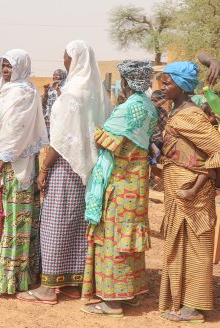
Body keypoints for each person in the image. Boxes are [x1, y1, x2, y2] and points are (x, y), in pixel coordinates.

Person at [19, 40, 111, 304]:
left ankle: (48, 288)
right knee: (77, 223)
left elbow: (61, 139)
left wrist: (44, 168)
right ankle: (73, 282)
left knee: (55, 223)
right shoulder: (98, 92)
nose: (64, 62)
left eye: (66, 57)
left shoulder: (72, 93)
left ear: (76, 59)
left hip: (66, 166)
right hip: (88, 168)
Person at [81, 61, 158, 317]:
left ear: (125, 82)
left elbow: (109, 141)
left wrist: (90, 128)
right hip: (136, 182)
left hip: (121, 181)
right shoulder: (148, 106)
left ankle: (113, 301)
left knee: (113, 237)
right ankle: (131, 293)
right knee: (128, 236)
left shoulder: (131, 108)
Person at [0, 49, 47, 295]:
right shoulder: (14, 91)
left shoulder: (21, 94)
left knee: (9, 219)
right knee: (7, 219)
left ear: (21, 67)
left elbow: (13, 134)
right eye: (3, 65)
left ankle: (6, 280)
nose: (5, 69)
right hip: (14, 163)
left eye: (10, 65)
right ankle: (15, 276)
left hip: (12, 166)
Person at [157, 62, 220, 323]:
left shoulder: (190, 116)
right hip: (178, 189)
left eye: (167, 83)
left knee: (196, 248)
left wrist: (197, 184)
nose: (162, 86)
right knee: (179, 246)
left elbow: (217, 149)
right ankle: (182, 300)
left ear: (182, 87)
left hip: (192, 194)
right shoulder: (177, 111)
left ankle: (194, 307)